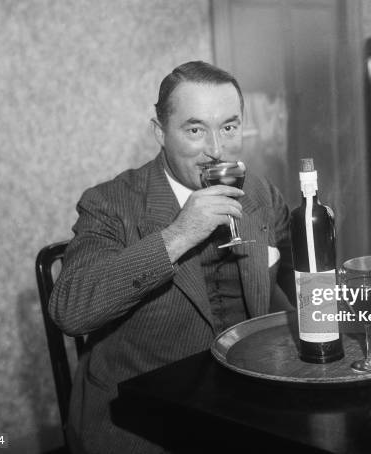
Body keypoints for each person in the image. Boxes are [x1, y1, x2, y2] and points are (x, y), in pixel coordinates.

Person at [49, 61, 294, 454]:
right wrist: (179, 235)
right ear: (160, 133)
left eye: (229, 127)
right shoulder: (111, 203)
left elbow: (286, 278)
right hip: (140, 421)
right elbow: (70, 309)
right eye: (195, 130)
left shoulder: (260, 194)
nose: (216, 150)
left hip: (244, 409)